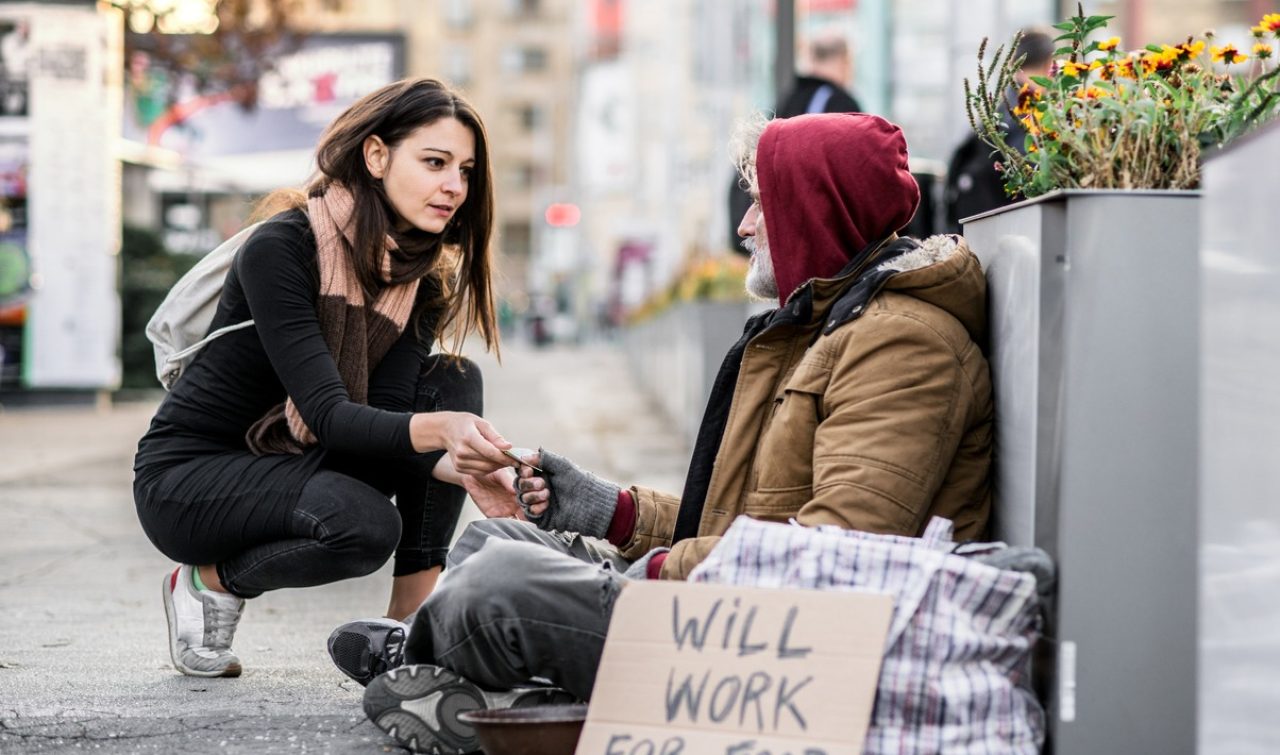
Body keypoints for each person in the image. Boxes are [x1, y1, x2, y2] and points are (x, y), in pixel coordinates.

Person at [335, 112, 995, 755]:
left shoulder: (904, 344)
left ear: (816, 208)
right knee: (493, 538)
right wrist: (608, 509)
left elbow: (832, 556)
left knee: (498, 581)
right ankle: (508, 694)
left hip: (788, 648)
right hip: (742, 608)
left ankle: (445, 667)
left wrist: (651, 572)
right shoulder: (828, 327)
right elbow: (741, 522)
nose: (744, 225)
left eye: (762, 203)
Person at [133, 78, 526, 680]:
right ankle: (205, 583)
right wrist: (444, 434)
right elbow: (330, 415)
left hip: (302, 461)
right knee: (364, 525)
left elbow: (389, 415)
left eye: (466, 171)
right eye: (435, 162)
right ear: (375, 156)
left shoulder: (417, 279)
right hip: (190, 478)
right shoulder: (281, 248)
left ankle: (409, 626)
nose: (455, 186)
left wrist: (470, 464)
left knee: (452, 379)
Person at [728, 31, 862, 255]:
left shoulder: (790, 97)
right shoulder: (840, 103)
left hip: (766, 232)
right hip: (802, 240)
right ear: (846, 62)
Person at [944, 28, 1055, 231]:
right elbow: (1034, 177)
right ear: (1049, 64)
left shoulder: (1000, 108)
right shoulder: (1033, 112)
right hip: (1014, 229)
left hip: (982, 227)